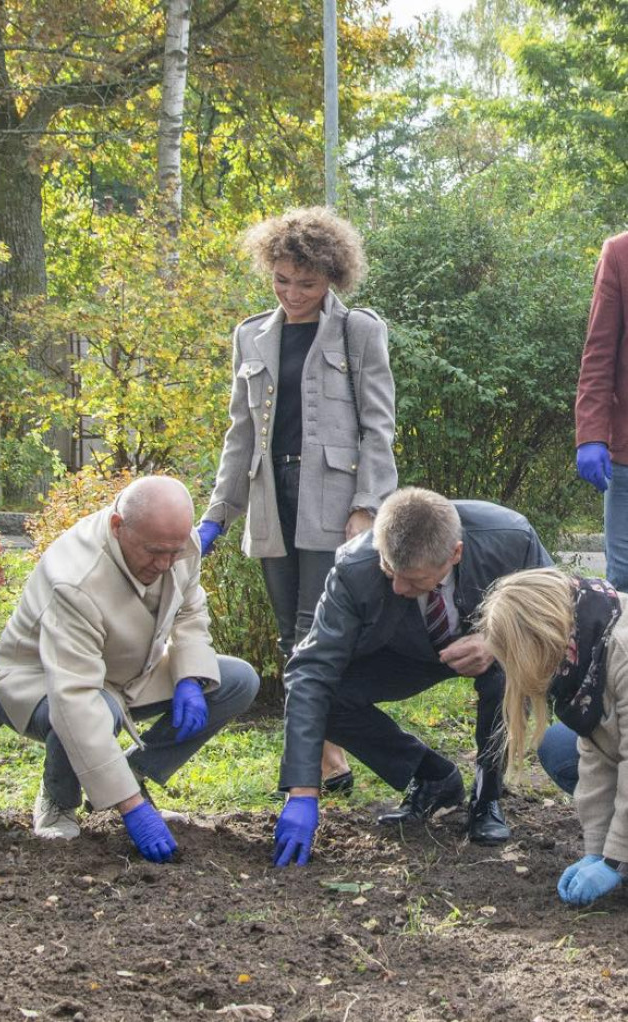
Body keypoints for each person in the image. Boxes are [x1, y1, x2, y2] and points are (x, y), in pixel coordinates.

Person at [198, 207, 397, 795]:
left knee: (318, 629)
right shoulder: (250, 335)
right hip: (268, 499)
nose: (292, 293)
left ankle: (307, 762)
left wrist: (367, 505)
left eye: (305, 283)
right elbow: (240, 434)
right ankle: (329, 755)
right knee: (290, 633)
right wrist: (216, 516)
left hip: (333, 499)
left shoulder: (359, 330)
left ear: (332, 277)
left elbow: (377, 426)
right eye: (281, 280)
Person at [272, 487, 553, 868]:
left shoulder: (510, 539)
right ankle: (433, 777)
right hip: (404, 648)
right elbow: (310, 670)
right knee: (330, 695)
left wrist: (496, 642)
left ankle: (488, 798)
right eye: (390, 571)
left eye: (415, 579)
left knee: (506, 671)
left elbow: (556, 611)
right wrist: (302, 791)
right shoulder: (355, 567)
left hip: (490, 645)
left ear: (454, 553)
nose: (398, 588)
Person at [0, 476, 260, 861]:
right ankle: (59, 799)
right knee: (98, 708)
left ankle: (130, 774)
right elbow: (74, 697)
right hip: (38, 681)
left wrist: (190, 677)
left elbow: (190, 611)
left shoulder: (180, 545)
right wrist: (132, 809)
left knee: (235, 681)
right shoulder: (76, 578)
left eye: (173, 553)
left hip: (124, 671)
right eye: (154, 552)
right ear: (118, 527)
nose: (165, 564)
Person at [478, 568, 628, 908]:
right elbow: (599, 754)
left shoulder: (622, 648)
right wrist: (596, 850)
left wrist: (616, 859)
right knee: (559, 746)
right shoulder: (587, 651)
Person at [575, 231, 628, 592]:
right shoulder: (620, 254)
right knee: (623, 581)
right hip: (627, 456)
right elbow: (599, 354)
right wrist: (591, 435)